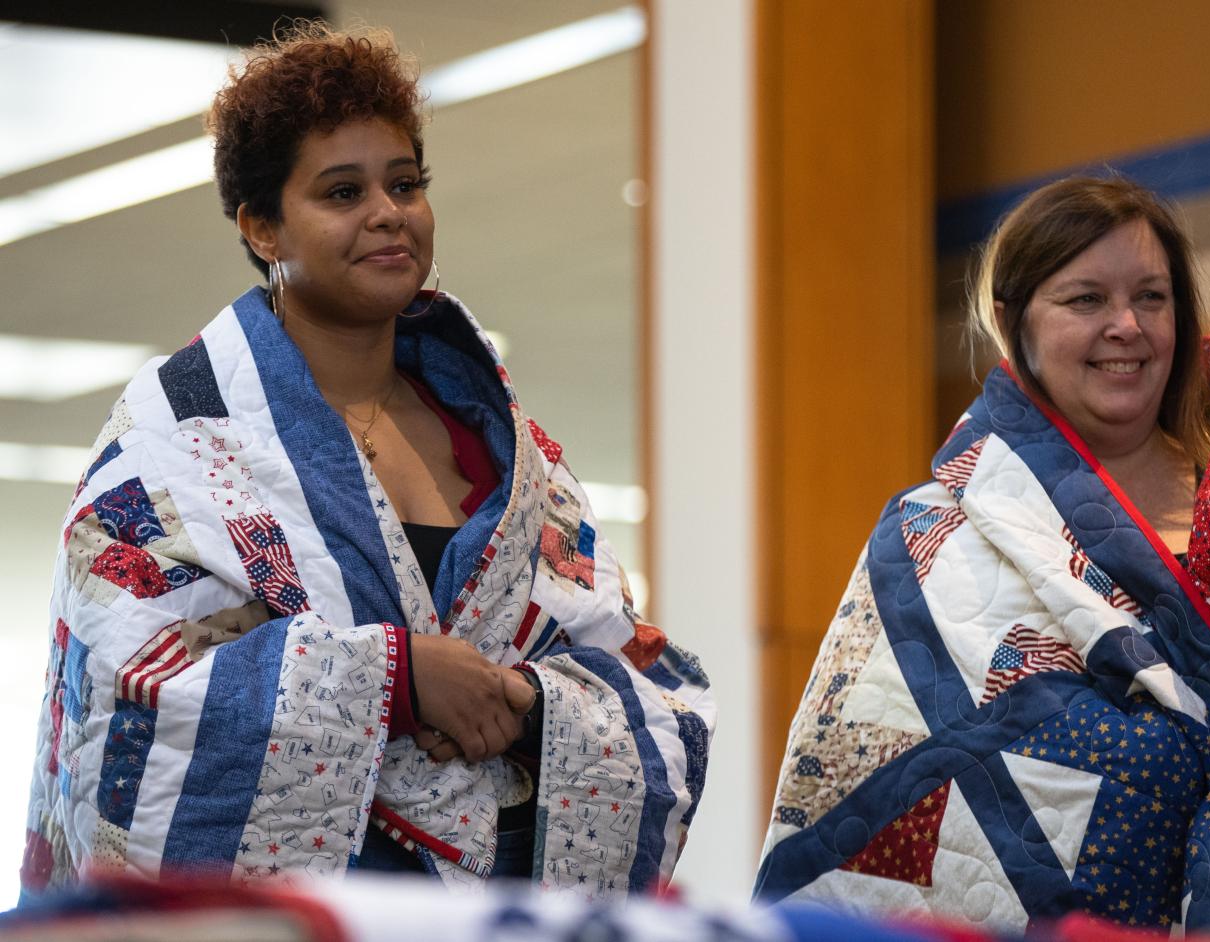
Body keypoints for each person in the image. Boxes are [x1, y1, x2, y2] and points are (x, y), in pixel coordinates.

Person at [23, 23, 712, 898]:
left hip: (496, 908)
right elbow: (130, 689)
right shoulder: (176, 441)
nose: (388, 212)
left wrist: (532, 706)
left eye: (406, 184)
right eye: (342, 192)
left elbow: (646, 684)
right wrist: (398, 676)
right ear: (263, 226)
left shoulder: (513, 451)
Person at [755, 176, 1210, 932]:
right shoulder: (930, 531)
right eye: (1085, 299)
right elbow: (863, 776)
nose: (1126, 325)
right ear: (1012, 322)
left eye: (1151, 298)